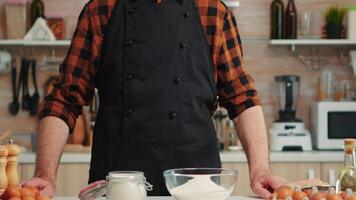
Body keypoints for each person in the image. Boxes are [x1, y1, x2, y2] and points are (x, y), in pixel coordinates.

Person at [23, 0, 285, 198]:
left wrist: (260, 170)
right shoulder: (101, 9)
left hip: (195, 183)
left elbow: (243, 98)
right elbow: (63, 99)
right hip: (119, 183)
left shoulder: (213, 11)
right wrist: (45, 175)